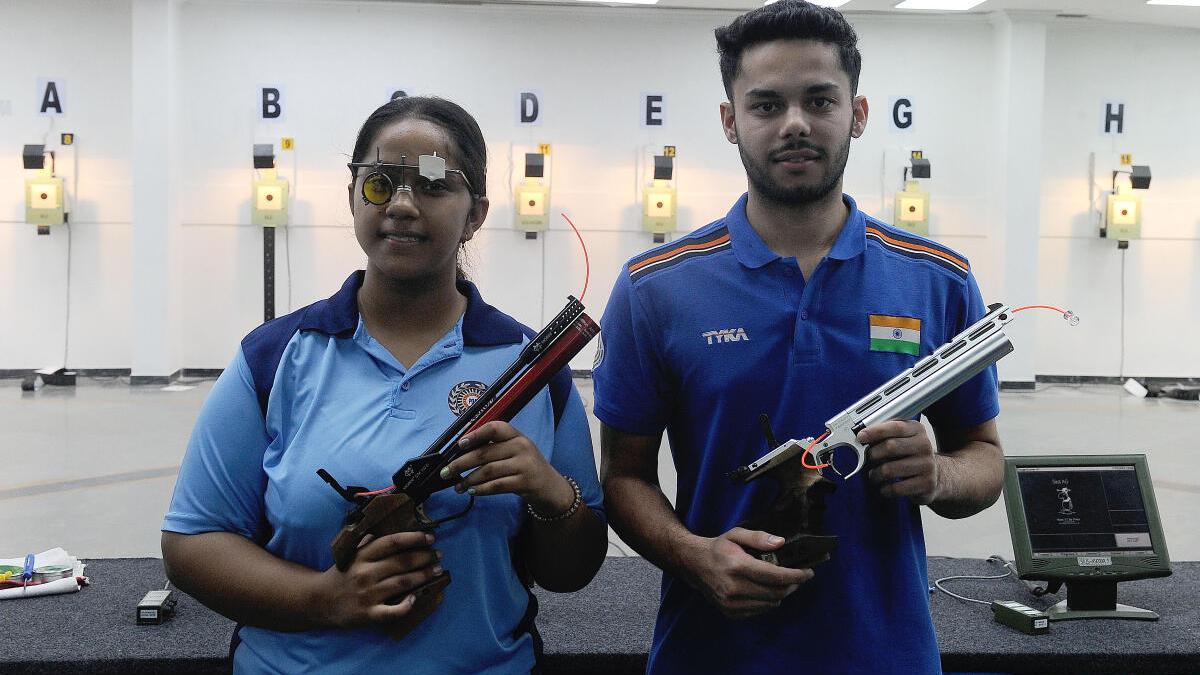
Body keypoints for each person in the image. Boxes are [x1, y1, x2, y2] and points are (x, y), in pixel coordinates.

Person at [593, 2, 1004, 673]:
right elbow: (623, 476)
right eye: (765, 105)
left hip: (886, 653)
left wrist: (937, 474)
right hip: (710, 654)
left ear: (857, 113)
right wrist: (694, 555)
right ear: (730, 121)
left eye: (819, 100)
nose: (794, 125)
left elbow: (983, 457)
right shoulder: (654, 288)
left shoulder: (938, 279)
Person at [161, 96, 607, 674]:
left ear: (475, 213)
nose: (401, 205)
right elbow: (192, 544)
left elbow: (573, 571)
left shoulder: (532, 372)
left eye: (432, 185)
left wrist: (550, 494)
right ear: (353, 197)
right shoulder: (273, 359)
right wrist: (326, 601)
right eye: (379, 183)